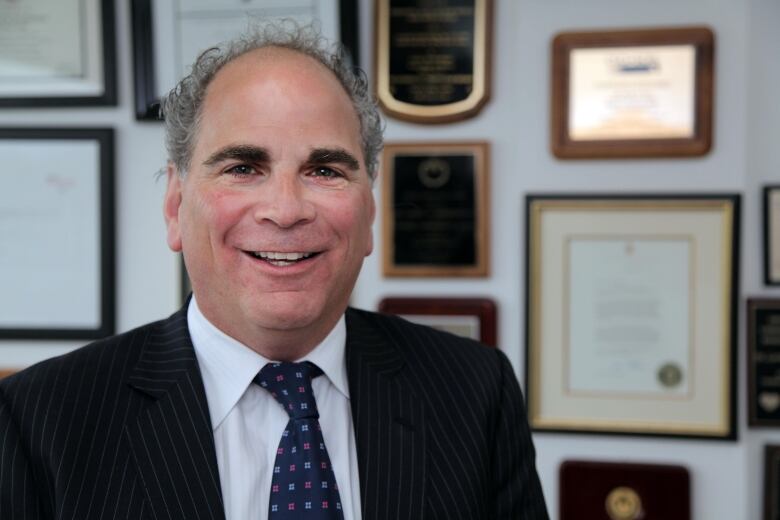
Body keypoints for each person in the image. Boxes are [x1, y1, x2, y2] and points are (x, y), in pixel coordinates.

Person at [0, 21, 548, 520]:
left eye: (325, 169)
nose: (286, 210)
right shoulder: (40, 419)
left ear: (369, 215)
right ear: (175, 206)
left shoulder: (475, 391)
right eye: (243, 167)